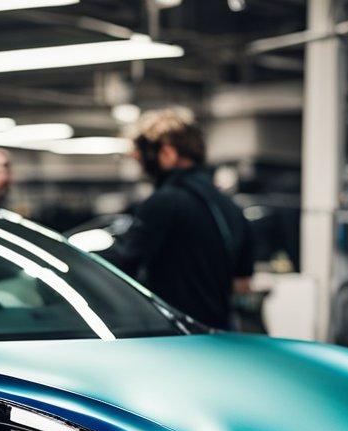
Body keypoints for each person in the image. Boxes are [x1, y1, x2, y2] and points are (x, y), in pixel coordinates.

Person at [103, 108, 253, 330]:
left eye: (144, 155)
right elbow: (243, 284)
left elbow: (118, 269)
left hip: (172, 336)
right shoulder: (231, 207)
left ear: (167, 153)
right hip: (218, 334)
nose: (141, 163)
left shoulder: (164, 202)